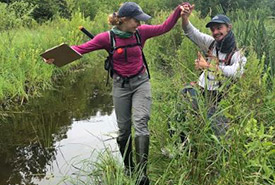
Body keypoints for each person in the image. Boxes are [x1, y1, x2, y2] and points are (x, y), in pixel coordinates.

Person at [44, 2, 187, 185]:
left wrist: (177, 11)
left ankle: (141, 175)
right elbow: (81, 48)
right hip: (120, 87)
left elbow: (164, 27)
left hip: (141, 83)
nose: (140, 24)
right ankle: (129, 168)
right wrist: (56, 57)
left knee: (141, 123)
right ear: (124, 20)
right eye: (137, 20)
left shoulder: (140, 33)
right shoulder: (106, 38)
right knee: (124, 131)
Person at [178, 5, 247, 136]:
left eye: (219, 28)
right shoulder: (211, 43)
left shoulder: (237, 54)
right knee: (182, 107)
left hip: (218, 99)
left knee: (218, 129)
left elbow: (237, 72)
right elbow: (191, 32)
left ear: (229, 27)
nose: (215, 32)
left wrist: (208, 66)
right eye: (213, 29)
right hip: (201, 90)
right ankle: (181, 145)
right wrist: (185, 18)